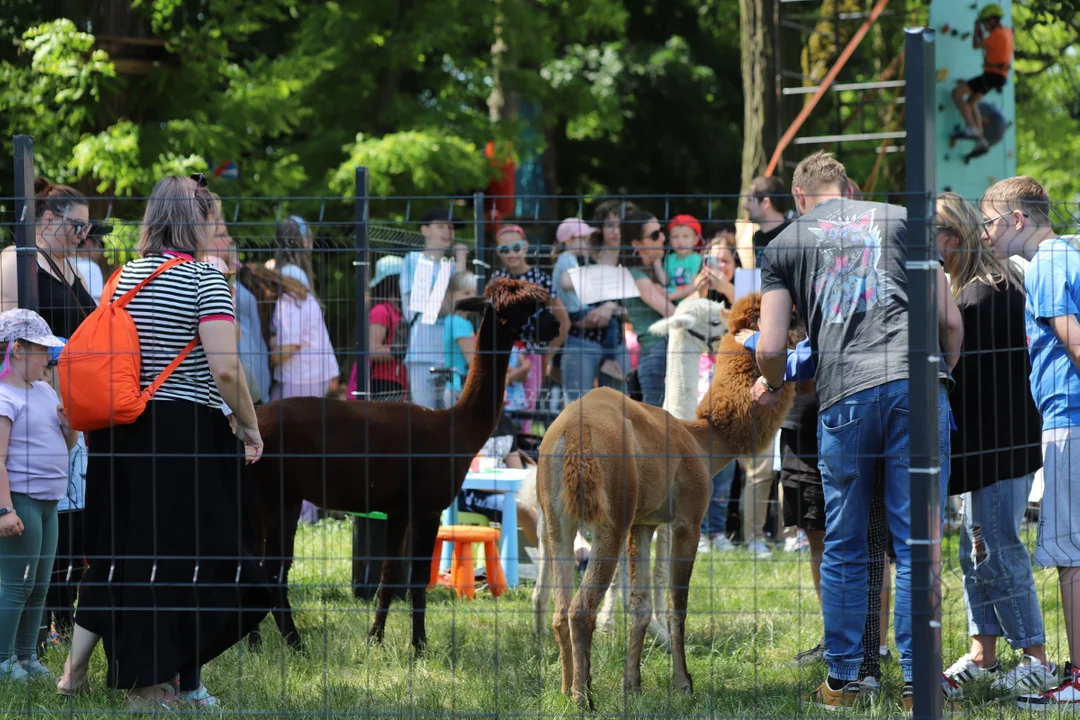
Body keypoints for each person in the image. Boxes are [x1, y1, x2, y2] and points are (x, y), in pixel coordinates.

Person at [753, 151, 962, 711]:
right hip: (918, 387)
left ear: (799, 199)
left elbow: (771, 347)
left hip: (844, 397)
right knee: (919, 544)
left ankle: (846, 682)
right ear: (850, 188)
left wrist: (773, 382)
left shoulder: (784, 245)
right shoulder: (902, 221)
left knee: (845, 546)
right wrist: (942, 376)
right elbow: (948, 320)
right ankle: (922, 684)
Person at [56, 175, 270, 709]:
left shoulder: (121, 276)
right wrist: (250, 424)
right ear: (195, 221)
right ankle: (147, 688)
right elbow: (224, 369)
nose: (218, 230)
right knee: (202, 555)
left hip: (115, 430)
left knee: (128, 556)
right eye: (214, 219)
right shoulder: (205, 279)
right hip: (181, 431)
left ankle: (120, 676)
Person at [933, 191, 1053, 700]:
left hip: (1000, 448)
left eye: (931, 235)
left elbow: (979, 380)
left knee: (998, 548)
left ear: (953, 239)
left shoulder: (984, 295)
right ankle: (984, 653)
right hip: (988, 448)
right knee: (973, 550)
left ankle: (1037, 660)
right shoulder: (978, 290)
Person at [980, 176, 1080, 709]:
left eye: (990, 223)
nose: (986, 234)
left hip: (1070, 420)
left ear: (1018, 220)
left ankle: (1078, 679)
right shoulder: (1070, 254)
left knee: (1072, 556)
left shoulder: (1044, 266)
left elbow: (1075, 342)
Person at [0, 310, 75, 682]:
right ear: (17, 348)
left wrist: (68, 427)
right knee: (17, 583)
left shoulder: (44, 389)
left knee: (41, 583)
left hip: (50, 502)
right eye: (41, 350)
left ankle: (27, 656)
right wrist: (4, 509)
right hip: (22, 501)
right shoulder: (4, 396)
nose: (48, 357)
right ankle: (3, 660)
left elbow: (68, 441)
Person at [552, 218, 629, 400]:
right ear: (569, 241)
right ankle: (610, 361)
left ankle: (609, 360)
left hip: (578, 310)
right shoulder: (567, 259)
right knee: (611, 324)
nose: (586, 243)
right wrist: (590, 281)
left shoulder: (571, 259)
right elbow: (565, 282)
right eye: (582, 239)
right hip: (577, 312)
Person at [400, 208, 470, 409]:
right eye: (441, 226)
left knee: (453, 421)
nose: (447, 232)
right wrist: (453, 298)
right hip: (423, 354)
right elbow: (435, 307)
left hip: (451, 356)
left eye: (450, 228)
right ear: (424, 230)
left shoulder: (453, 266)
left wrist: (461, 263)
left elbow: (461, 307)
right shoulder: (415, 260)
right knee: (425, 418)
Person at [489, 224, 570, 377]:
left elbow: (564, 322)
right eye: (504, 249)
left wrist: (548, 355)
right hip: (501, 356)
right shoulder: (497, 279)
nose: (511, 253)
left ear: (526, 247)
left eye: (516, 248)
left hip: (532, 357)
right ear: (498, 252)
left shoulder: (540, 280)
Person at [620, 210, 677, 407]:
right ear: (636, 244)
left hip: (663, 351)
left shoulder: (653, 270)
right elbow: (672, 312)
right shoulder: (636, 276)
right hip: (655, 354)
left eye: (661, 231)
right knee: (656, 426)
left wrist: (657, 262)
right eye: (654, 235)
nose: (662, 237)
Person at [952, 3, 1013, 152]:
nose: (985, 26)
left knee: (957, 94)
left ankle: (972, 128)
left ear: (992, 21)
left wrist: (976, 26)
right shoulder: (1007, 32)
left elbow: (976, 44)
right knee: (972, 102)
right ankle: (979, 136)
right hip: (997, 76)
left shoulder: (997, 35)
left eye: (986, 22)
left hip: (992, 75)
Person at [349, 255, 408, 402]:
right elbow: (372, 350)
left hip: (398, 384)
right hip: (382, 385)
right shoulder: (381, 311)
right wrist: (404, 350)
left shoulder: (402, 313)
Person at [744, 176, 792, 267]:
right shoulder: (758, 237)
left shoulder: (792, 236)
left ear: (765, 203)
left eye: (750, 200)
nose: (745, 206)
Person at [664, 215, 703, 303]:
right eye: (675, 237)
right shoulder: (669, 259)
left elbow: (694, 285)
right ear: (670, 240)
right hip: (671, 301)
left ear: (695, 240)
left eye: (685, 236)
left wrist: (671, 296)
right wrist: (656, 262)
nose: (680, 241)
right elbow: (665, 281)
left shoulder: (696, 259)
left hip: (690, 302)